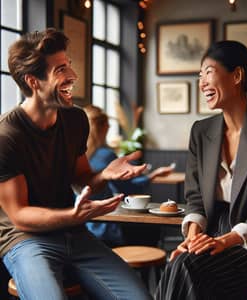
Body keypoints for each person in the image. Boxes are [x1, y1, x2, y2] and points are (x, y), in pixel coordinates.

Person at [0, 28, 152, 300]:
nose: (73, 75)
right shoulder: (7, 135)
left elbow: (80, 178)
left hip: (74, 235)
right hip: (26, 240)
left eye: (68, 65)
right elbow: (19, 215)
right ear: (33, 81)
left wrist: (104, 174)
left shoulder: (75, 120)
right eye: (60, 69)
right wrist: (74, 215)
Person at [155, 40, 247, 300]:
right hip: (209, 232)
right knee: (181, 262)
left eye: (208, 72)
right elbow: (195, 198)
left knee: (184, 267)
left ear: (237, 76)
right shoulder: (201, 131)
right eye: (199, 76)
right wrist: (193, 238)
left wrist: (222, 241)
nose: (202, 83)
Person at [83, 104, 174, 247]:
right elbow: (130, 188)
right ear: (102, 128)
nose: (109, 128)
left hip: (82, 228)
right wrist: (153, 175)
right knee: (152, 230)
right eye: (108, 125)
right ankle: (149, 266)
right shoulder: (105, 155)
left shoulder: (77, 157)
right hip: (106, 227)